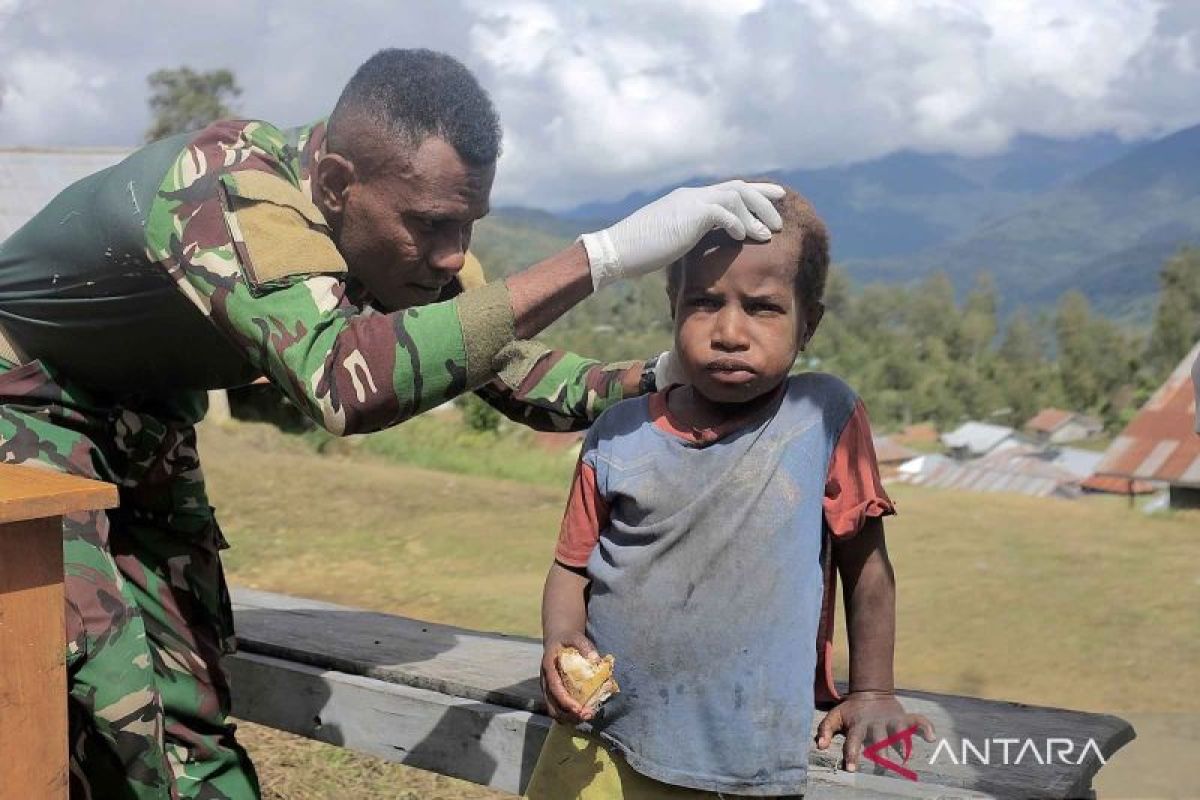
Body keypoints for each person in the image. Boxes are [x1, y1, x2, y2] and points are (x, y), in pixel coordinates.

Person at [0, 48, 786, 799]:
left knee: (191, 704)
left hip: (141, 416)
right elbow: (345, 385)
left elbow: (517, 373)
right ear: (338, 183)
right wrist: (603, 255)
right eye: (432, 224)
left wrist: (660, 374)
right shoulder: (229, 190)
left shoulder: (395, 239)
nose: (453, 256)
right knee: (92, 685)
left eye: (469, 225)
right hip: (22, 403)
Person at [527, 186, 934, 798]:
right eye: (704, 302)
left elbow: (866, 567)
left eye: (764, 307)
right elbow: (571, 566)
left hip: (748, 750)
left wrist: (872, 690)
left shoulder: (824, 416)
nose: (729, 331)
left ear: (809, 323)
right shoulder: (619, 432)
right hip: (603, 734)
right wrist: (561, 642)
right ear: (672, 308)